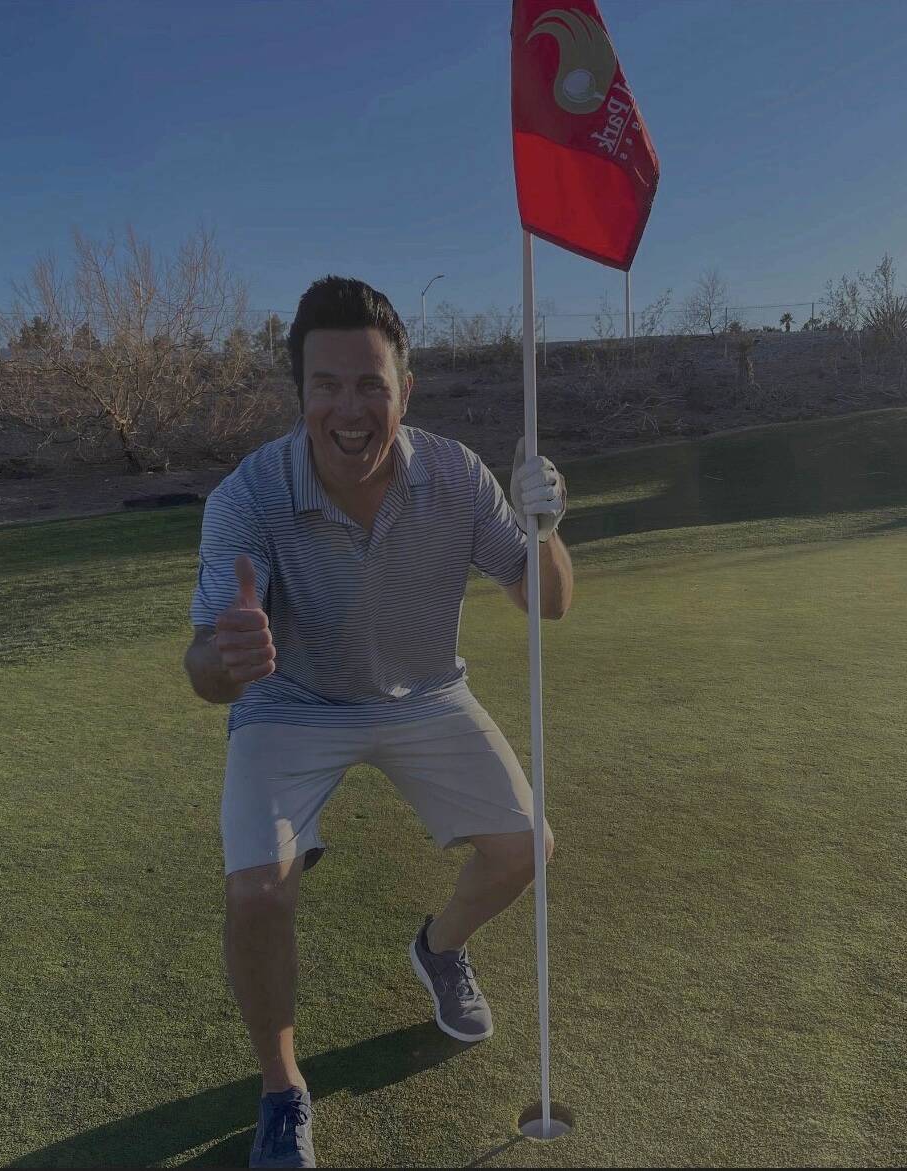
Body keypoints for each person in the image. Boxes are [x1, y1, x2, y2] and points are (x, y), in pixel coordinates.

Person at [183, 275, 573, 1169]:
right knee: (256, 890)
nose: (348, 408)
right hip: (289, 702)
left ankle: (438, 949)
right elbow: (204, 670)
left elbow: (545, 603)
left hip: (424, 692)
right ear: (300, 394)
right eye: (327, 384)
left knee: (526, 849)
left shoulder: (455, 473)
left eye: (370, 384)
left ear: (405, 389)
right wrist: (226, 657)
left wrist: (546, 526)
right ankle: (282, 1092)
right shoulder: (247, 497)